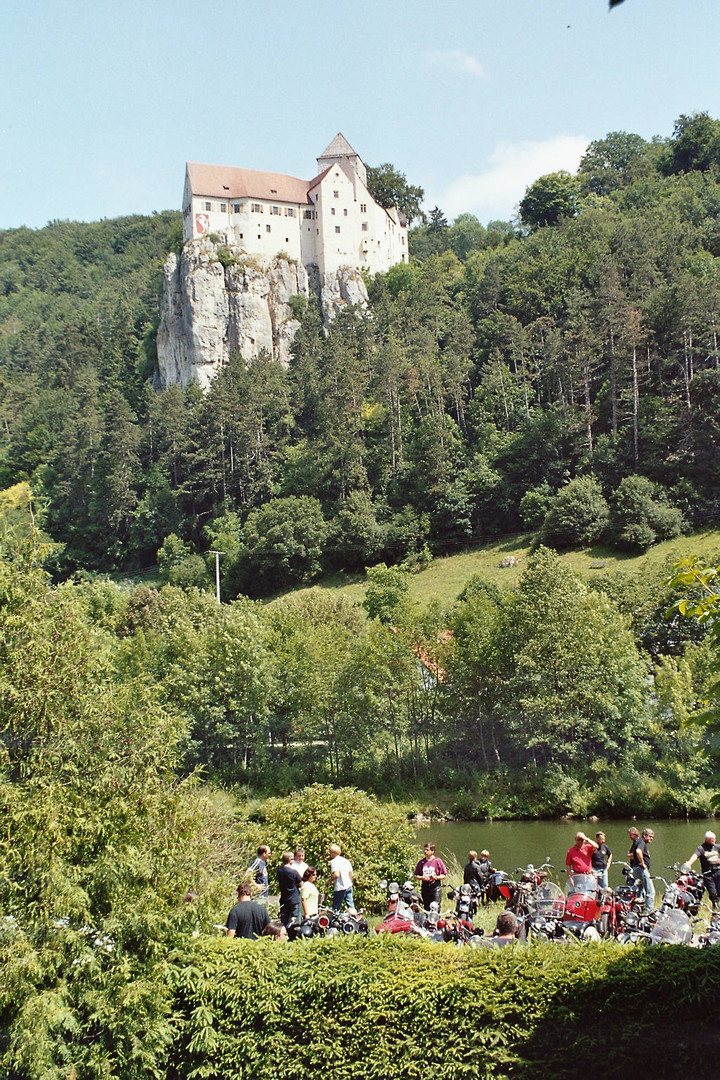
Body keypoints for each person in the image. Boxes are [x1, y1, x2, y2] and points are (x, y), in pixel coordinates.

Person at [686, 830, 720, 910]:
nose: (713, 840)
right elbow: (695, 856)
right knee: (713, 893)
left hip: (718, 872)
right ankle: (715, 907)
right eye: (711, 839)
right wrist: (689, 863)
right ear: (706, 840)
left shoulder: (717, 847)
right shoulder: (701, 848)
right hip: (708, 874)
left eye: (714, 839)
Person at [414, 842, 447, 911]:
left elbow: (444, 875)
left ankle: (435, 920)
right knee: (426, 907)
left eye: (427, 850)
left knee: (435, 906)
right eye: (425, 850)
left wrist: (436, 877)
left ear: (433, 851)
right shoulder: (421, 862)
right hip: (425, 886)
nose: (425, 851)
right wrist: (421, 878)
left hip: (435, 887)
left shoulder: (437, 861)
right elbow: (416, 875)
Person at [631, 828, 655, 912]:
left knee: (640, 892)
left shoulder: (637, 842)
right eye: (650, 836)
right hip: (641, 869)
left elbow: (632, 854)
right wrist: (643, 863)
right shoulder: (641, 842)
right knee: (650, 891)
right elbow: (638, 851)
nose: (652, 838)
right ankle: (649, 911)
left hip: (636, 869)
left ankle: (637, 910)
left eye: (653, 837)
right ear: (644, 835)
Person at [276, 851, 303, 928]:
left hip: (284, 898)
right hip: (294, 898)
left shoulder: (279, 871)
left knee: (284, 920)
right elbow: (300, 884)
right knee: (295, 921)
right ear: (291, 860)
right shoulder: (294, 872)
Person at [329, 844, 355, 912]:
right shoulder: (346, 861)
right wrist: (349, 881)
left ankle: (335, 922)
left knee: (336, 909)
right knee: (351, 906)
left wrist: (329, 881)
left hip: (340, 887)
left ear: (333, 852)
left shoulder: (334, 862)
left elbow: (336, 875)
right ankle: (354, 919)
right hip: (348, 886)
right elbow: (352, 874)